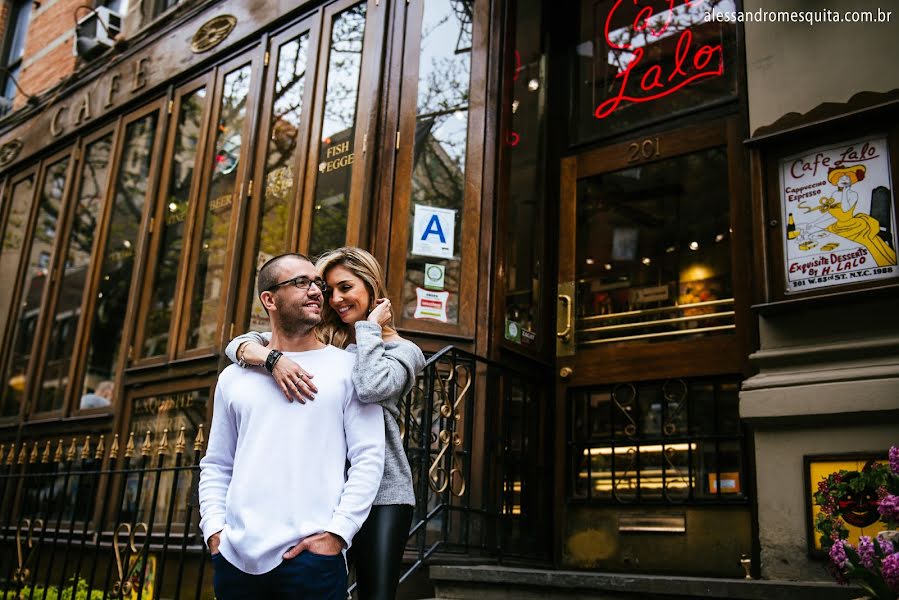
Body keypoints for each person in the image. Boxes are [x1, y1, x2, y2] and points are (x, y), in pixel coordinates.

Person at [225, 246, 425, 600]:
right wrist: (268, 358)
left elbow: (370, 385)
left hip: (381, 493)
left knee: (375, 594)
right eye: (329, 290)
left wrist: (368, 330)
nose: (335, 299)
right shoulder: (328, 342)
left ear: (371, 288)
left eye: (345, 287)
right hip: (326, 494)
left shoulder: (403, 351)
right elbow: (243, 344)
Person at [199, 253, 385, 600]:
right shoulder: (234, 377)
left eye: (318, 283)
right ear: (269, 299)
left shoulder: (349, 369)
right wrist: (214, 530)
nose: (316, 291)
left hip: (312, 561)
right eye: (302, 282)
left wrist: (338, 535)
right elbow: (217, 464)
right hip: (235, 560)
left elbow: (369, 459)